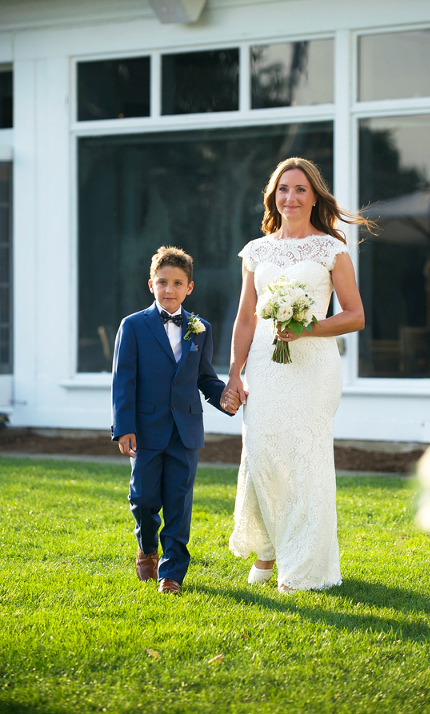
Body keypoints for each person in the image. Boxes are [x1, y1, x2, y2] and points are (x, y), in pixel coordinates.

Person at [226, 158, 367, 594]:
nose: (291, 197)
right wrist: (235, 373)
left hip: (314, 369)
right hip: (267, 366)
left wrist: (309, 328)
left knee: (305, 460)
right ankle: (268, 548)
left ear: (314, 196)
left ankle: (305, 567)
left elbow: (355, 316)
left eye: (301, 189)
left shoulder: (331, 249)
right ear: (274, 196)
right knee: (263, 453)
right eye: (283, 189)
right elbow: (246, 318)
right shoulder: (256, 251)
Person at [111, 247, 237, 595]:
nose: (170, 289)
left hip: (186, 432)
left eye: (177, 283)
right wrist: (123, 427)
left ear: (189, 287)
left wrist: (224, 396)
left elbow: (204, 377)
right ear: (151, 284)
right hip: (146, 431)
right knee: (144, 500)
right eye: (163, 282)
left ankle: (172, 573)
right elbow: (123, 380)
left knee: (179, 503)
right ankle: (147, 547)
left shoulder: (200, 329)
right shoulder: (133, 326)